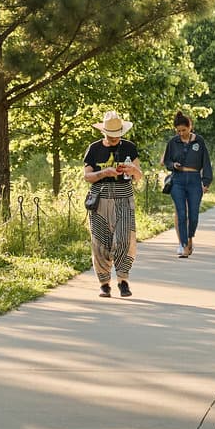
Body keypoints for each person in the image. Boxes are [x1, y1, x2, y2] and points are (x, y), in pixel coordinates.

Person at [83, 111, 143, 298]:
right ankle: (104, 283)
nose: (115, 139)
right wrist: (104, 173)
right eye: (111, 136)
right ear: (104, 133)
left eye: (117, 135)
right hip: (100, 198)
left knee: (125, 238)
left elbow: (139, 176)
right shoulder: (93, 149)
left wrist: (133, 170)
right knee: (101, 242)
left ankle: (123, 280)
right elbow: (87, 176)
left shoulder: (129, 148)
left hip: (124, 196)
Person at [161, 111, 214, 258]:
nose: (181, 133)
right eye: (178, 131)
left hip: (194, 179)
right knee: (181, 213)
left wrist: (206, 181)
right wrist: (173, 165)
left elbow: (206, 162)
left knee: (194, 214)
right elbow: (166, 161)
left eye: (184, 130)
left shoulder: (199, 141)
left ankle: (190, 237)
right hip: (178, 179)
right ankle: (183, 245)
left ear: (190, 127)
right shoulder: (173, 142)